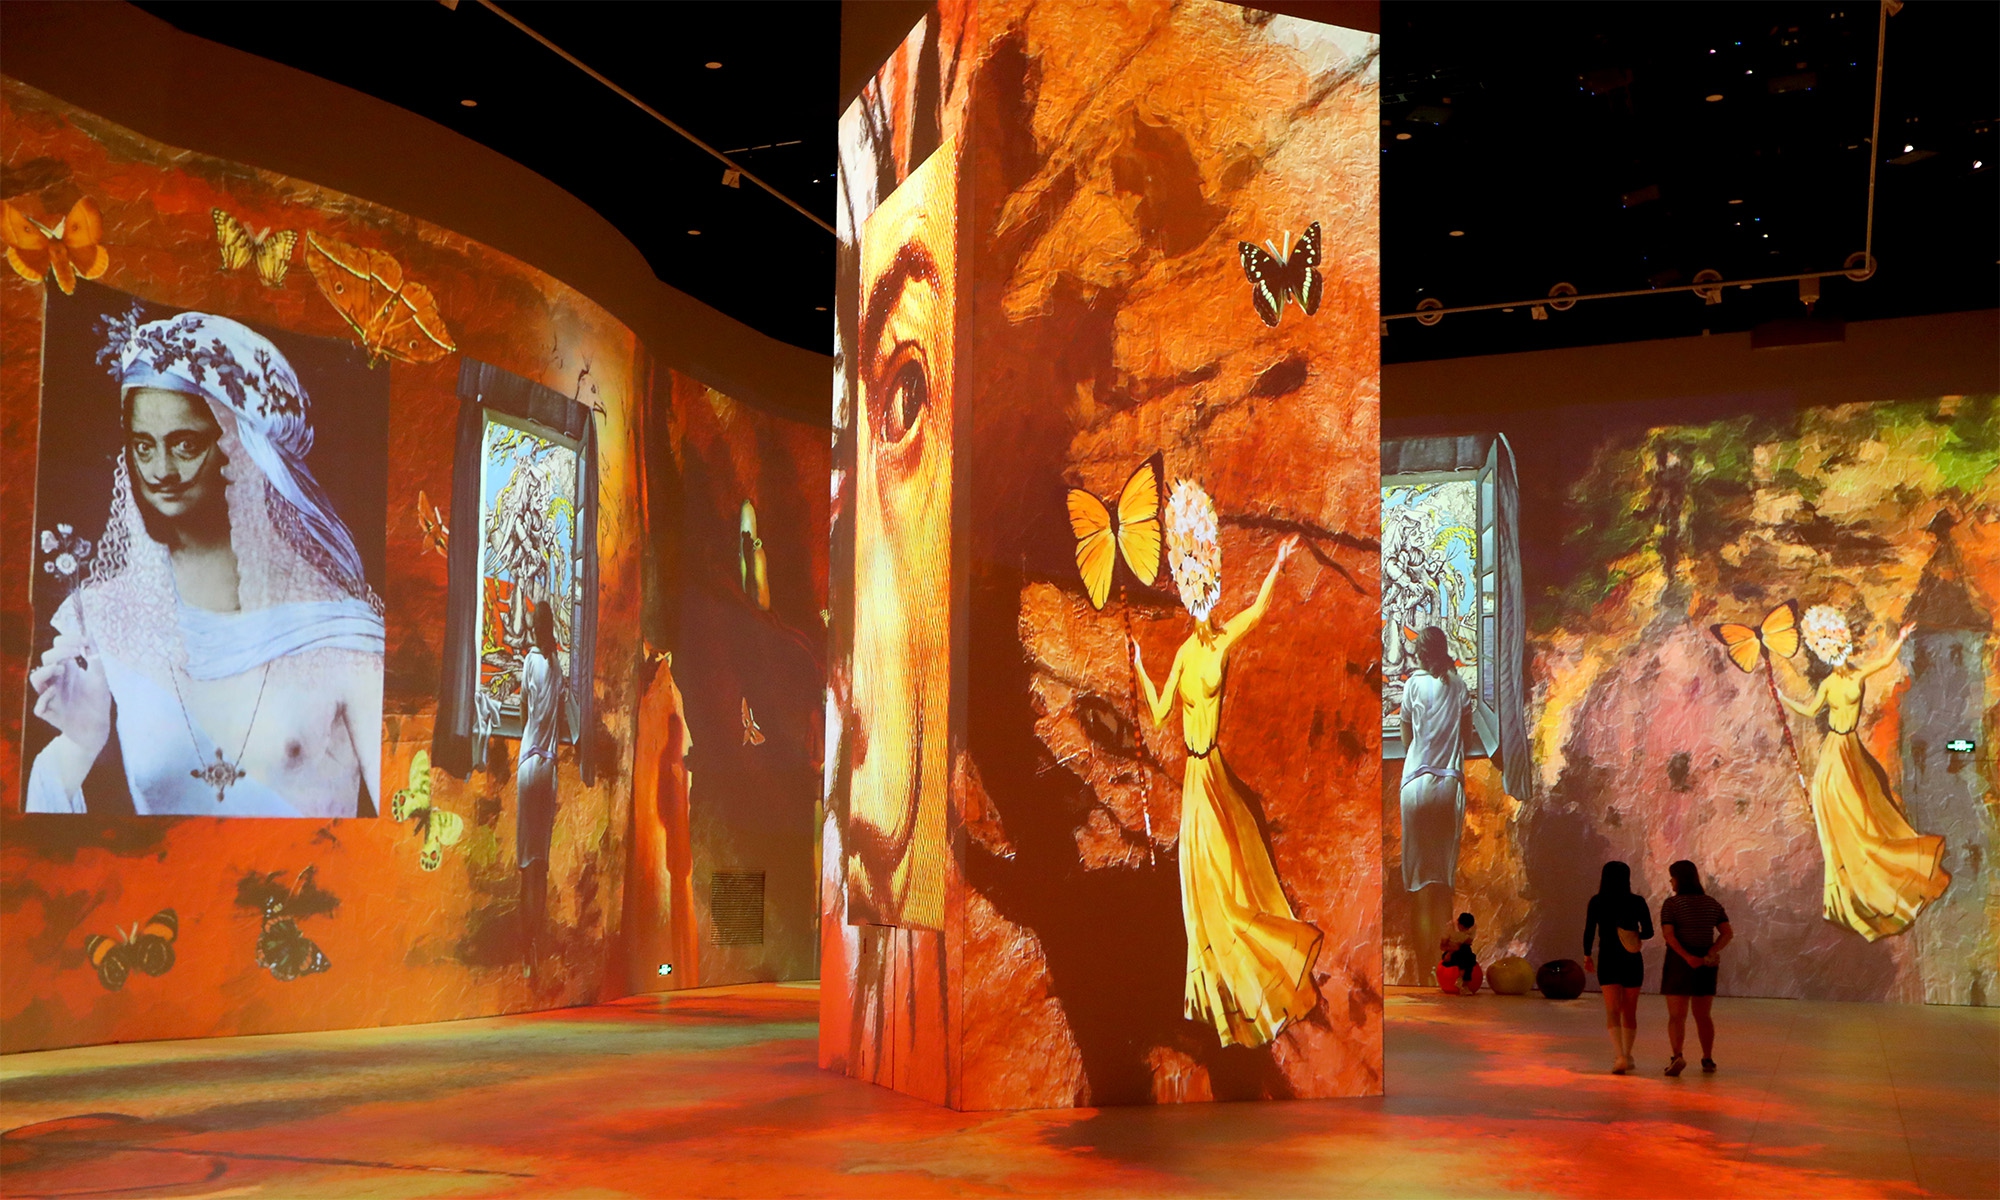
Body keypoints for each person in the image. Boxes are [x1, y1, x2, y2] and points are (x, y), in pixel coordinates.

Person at [27, 309, 383, 816]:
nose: (161, 471)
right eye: (143, 446)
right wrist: (79, 745)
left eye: (185, 445)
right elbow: (43, 834)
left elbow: (405, 824)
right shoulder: (109, 616)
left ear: (238, 447)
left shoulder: (341, 628)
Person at [1132, 479, 1322, 1049]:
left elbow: (1258, 613)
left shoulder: (1219, 643)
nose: (1200, 603)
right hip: (1195, 777)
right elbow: (1160, 714)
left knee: (1231, 877)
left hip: (1212, 768)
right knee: (1203, 885)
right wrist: (1139, 665)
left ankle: (1259, 971)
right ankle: (1219, 990)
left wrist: (1278, 564)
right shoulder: (1185, 653)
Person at [1771, 606, 1950, 940]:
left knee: (1867, 812)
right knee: (1842, 812)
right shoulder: (1829, 683)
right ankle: (1848, 888)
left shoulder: (1856, 674)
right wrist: (1784, 699)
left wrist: (1900, 639)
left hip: (1851, 747)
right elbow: (1811, 710)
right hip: (1835, 750)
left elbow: (1883, 662)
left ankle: (1880, 870)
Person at [1400, 624, 1472, 964]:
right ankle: (1444, 967)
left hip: (1415, 787)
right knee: (1443, 885)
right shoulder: (1459, 686)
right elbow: (1466, 735)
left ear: (1419, 654)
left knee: (1419, 886)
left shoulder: (1412, 685)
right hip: (1448, 789)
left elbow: (1406, 738)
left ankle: (1423, 969)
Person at [517, 600, 567, 968]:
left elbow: (523, 711)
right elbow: (562, 714)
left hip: (528, 764)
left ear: (534, 629)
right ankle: (536, 941)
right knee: (541, 862)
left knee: (525, 863)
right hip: (548, 767)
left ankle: (526, 950)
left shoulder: (530, 663)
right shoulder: (556, 666)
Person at [1659, 859, 1732, 1076]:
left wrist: (1686, 956)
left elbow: (1669, 935)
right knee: (1703, 1015)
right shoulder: (1711, 903)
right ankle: (1708, 1058)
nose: (1671, 882)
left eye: (1672, 877)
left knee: (1676, 1015)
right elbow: (1727, 932)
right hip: (1705, 962)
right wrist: (1711, 951)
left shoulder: (1671, 904)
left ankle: (1677, 1056)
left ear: (1679, 879)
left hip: (1678, 962)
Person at [1583, 860, 1653, 1074]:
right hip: (1632, 959)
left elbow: (1589, 931)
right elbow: (1649, 931)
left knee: (1612, 1010)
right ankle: (1629, 1054)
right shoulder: (1637, 901)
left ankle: (1619, 1055)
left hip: (1608, 958)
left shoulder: (1597, 901)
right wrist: (1633, 935)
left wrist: (1587, 955)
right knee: (1629, 1010)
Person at [1440, 911, 1477, 994]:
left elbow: (1467, 943)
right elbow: (1442, 946)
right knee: (1469, 957)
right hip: (1449, 955)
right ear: (1458, 923)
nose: (1465, 930)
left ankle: (1461, 980)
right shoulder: (1450, 928)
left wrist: (1458, 947)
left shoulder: (1472, 928)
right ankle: (1464, 985)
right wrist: (1451, 951)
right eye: (1463, 928)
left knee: (1467, 953)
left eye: (1467, 929)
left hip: (1463, 952)